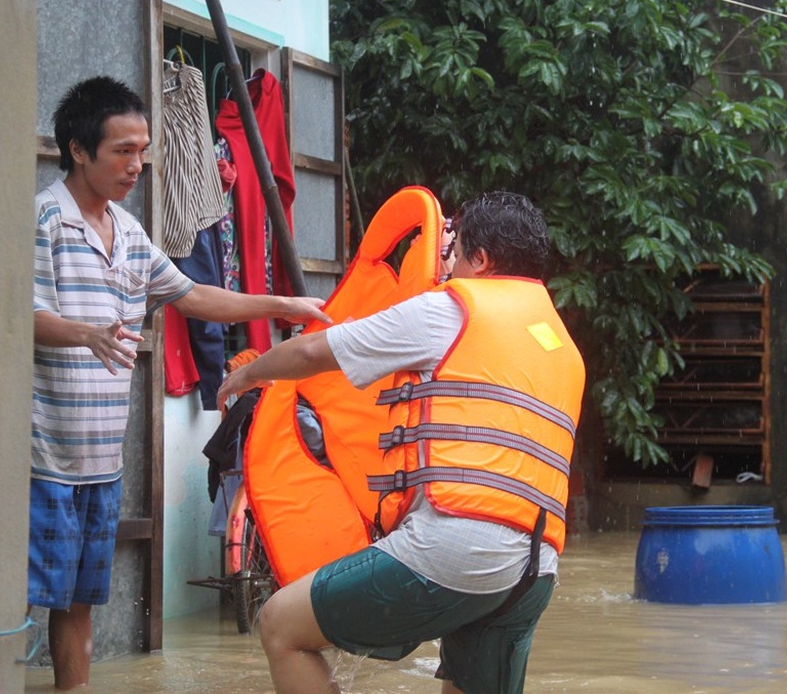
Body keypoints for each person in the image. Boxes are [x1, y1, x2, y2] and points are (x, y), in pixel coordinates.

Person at [217, 191, 586, 694]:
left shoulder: (449, 311)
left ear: (480, 259)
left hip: (457, 549)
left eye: (455, 256)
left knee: (281, 625)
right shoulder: (560, 343)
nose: (447, 267)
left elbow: (309, 353)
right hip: (535, 568)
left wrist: (248, 375)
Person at [31, 75, 331, 690]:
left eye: (142, 150)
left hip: (100, 461)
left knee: (78, 605)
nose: (137, 164)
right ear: (80, 150)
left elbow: (194, 296)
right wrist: (85, 333)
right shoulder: (45, 219)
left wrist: (281, 305)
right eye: (122, 151)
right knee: (15, 601)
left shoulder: (132, 232)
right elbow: (17, 316)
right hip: (40, 459)